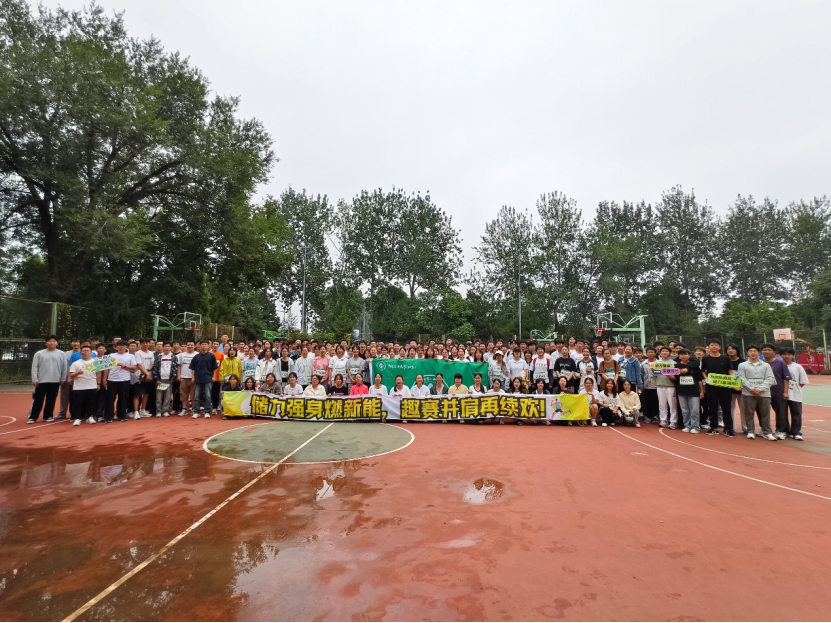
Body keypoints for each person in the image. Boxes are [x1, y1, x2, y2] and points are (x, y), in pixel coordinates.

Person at [736, 345, 776, 440]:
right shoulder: (742, 365)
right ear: (747, 353)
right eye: (751, 351)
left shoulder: (766, 365)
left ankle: (767, 432)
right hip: (748, 393)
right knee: (749, 413)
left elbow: (770, 378)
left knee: (765, 413)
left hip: (764, 393)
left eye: (755, 351)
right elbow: (742, 378)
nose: (753, 353)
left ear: (759, 353)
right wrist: (752, 389)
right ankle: (750, 431)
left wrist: (760, 389)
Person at [700, 339, 736, 437]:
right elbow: (703, 371)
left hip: (725, 387)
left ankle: (728, 429)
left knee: (726, 408)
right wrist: (706, 379)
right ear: (709, 347)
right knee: (712, 407)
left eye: (716, 345)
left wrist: (735, 381)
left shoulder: (725, 358)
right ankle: (713, 427)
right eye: (712, 345)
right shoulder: (705, 358)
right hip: (711, 386)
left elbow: (730, 371)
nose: (714, 347)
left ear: (719, 347)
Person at [29, 335, 67, 424]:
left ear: (57, 343)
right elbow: (35, 367)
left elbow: (64, 367)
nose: (52, 343)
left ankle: (48, 416)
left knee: (51, 399)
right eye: (50, 341)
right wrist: (34, 379)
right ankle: (33, 417)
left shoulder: (62, 354)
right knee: (38, 399)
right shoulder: (39, 354)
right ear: (46, 343)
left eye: (54, 341)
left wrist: (63, 378)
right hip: (41, 380)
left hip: (55, 380)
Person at [761, 343, 791, 440]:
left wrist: (785, 392)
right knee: (763, 412)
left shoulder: (780, 363)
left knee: (781, 412)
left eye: (769, 350)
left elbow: (786, 378)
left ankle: (780, 430)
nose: (767, 352)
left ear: (774, 352)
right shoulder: (760, 364)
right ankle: (765, 430)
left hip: (777, 391)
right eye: (765, 350)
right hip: (763, 391)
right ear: (761, 352)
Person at [104, 339, 137, 423]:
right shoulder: (110, 356)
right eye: (119, 345)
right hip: (112, 379)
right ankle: (109, 417)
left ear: (126, 347)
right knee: (110, 399)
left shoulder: (130, 356)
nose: (121, 347)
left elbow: (134, 367)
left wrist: (124, 366)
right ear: (116, 347)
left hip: (124, 380)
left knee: (123, 398)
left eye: (123, 346)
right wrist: (105, 379)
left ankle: (121, 415)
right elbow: (106, 368)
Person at [781, 347, 807, 441]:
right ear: (781, 356)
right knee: (782, 414)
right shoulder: (779, 366)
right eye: (784, 354)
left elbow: (802, 382)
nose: (786, 356)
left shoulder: (798, 367)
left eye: (789, 354)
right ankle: (784, 431)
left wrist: (794, 388)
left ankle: (796, 432)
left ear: (793, 356)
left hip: (795, 394)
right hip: (781, 394)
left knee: (796, 413)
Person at [68, 345, 98, 426]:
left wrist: (98, 383)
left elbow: (98, 374)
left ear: (91, 352)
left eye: (87, 351)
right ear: (81, 352)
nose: (85, 352)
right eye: (84, 351)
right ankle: (77, 418)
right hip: (79, 386)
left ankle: (90, 417)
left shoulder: (95, 362)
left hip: (92, 385)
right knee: (78, 403)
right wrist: (78, 373)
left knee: (91, 402)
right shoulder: (76, 363)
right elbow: (71, 375)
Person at [676, 348, 704, 434]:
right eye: (681, 354)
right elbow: (675, 378)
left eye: (685, 354)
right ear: (679, 356)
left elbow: (699, 380)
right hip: (681, 391)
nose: (683, 356)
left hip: (694, 391)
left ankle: (695, 427)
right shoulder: (676, 366)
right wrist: (668, 375)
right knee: (684, 410)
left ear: (689, 355)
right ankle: (687, 426)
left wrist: (702, 391)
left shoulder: (694, 366)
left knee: (694, 410)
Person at [190, 341, 218, 418]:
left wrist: (214, 377)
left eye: (205, 344)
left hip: (208, 378)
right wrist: (193, 377)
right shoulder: (196, 357)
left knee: (208, 396)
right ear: (200, 346)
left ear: (208, 346)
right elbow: (193, 368)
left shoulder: (211, 356)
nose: (204, 346)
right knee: (196, 396)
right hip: (198, 378)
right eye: (202, 344)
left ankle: (207, 411)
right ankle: (196, 412)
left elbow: (214, 368)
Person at [655, 346, 679, 429]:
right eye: (663, 351)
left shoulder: (674, 363)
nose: (664, 352)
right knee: (662, 404)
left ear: (670, 353)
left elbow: (676, 376)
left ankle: (673, 421)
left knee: (672, 404)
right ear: (660, 353)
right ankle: (663, 420)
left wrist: (670, 376)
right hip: (660, 385)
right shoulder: (656, 363)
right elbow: (654, 374)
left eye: (666, 351)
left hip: (670, 385)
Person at [58, 337, 81, 420]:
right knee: (64, 396)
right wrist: (65, 378)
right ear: (71, 344)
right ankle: (62, 413)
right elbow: (63, 366)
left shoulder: (84, 353)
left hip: (79, 379)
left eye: (77, 342)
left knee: (76, 397)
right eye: (73, 342)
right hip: (67, 378)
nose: (75, 344)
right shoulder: (66, 354)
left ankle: (74, 413)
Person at [153, 341, 178, 417]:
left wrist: (172, 379)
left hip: (169, 380)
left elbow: (175, 368)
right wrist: (156, 379)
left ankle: (165, 411)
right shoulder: (159, 357)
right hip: (160, 380)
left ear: (171, 347)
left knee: (167, 397)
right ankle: (158, 411)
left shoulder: (174, 357)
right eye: (165, 346)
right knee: (158, 397)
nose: (167, 348)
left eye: (168, 346)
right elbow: (155, 368)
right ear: (163, 347)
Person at [132, 339, 155, 419]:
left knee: (146, 394)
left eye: (146, 343)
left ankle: (143, 410)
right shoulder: (138, 353)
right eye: (143, 343)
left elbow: (152, 364)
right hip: (139, 377)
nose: (145, 344)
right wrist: (146, 373)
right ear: (140, 344)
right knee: (138, 394)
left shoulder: (151, 353)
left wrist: (148, 371)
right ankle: (136, 412)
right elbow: (139, 365)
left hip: (149, 376)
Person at [726, 344, 746, 431]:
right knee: (730, 409)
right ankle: (731, 427)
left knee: (744, 409)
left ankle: (746, 428)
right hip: (728, 389)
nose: (730, 350)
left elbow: (744, 376)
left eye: (733, 349)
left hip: (742, 389)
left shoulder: (743, 362)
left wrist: (739, 385)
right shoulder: (725, 361)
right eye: (728, 349)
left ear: (737, 350)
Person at [640, 346, 660, 424]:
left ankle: (658, 416)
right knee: (648, 402)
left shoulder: (659, 363)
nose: (650, 353)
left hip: (658, 385)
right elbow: (641, 374)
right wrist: (641, 385)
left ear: (655, 353)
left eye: (652, 352)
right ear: (646, 354)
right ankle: (649, 417)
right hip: (647, 386)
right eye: (648, 352)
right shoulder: (643, 363)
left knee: (657, 402)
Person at [177, 341, 197, 416]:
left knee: (193, 395)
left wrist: (195, 377)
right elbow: (179, 366)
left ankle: (194, 409)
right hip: (183, 378)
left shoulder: (197, 355)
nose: (190, 346)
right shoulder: (181, 355)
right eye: (188, 345)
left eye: (191, 345)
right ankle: (184, 409)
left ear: (194, 346)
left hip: (193, 378)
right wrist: (179, 376)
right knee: (183, 395)